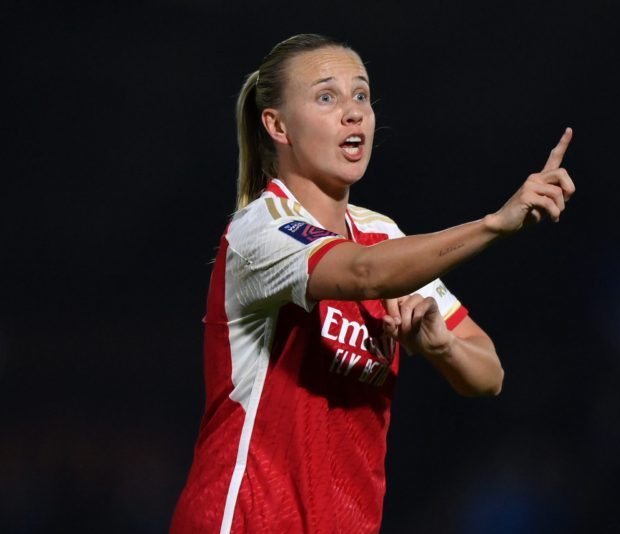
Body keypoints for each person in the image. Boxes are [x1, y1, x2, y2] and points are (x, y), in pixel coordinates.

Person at [170, 33, 575, 534]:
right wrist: (495, 224)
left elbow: (489, 374)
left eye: (361, 95)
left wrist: (441, 345)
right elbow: (363, 274)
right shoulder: (261, 229)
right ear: (277, 125)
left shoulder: (381, 236)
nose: (354, 112)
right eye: (326, 97)